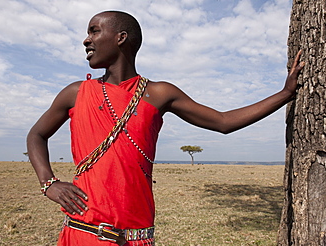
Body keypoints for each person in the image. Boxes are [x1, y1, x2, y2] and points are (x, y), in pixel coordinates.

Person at [27, 10, 304, 246]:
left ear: (121, 38)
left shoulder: (159, 93)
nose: (86, 40)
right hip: (81, 233)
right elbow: (36, 135)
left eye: (94, 31)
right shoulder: (76, 92)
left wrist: (284, 94)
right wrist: (49, 183)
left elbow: (223, 122)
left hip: (137, 235)